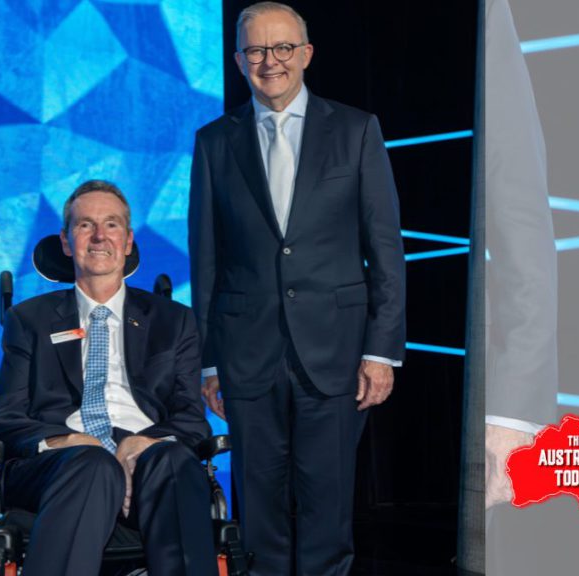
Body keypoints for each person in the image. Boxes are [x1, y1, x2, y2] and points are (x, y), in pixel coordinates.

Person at [188, 3, 406, 574]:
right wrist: (209, 361)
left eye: (283, 48)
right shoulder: (213, 141)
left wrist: (381, 350)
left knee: (327, 505)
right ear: (239, 61)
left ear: (306, 54)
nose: (271, 61)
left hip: (337, 350)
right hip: (245, 351)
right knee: (255, 506)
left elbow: (385, 249)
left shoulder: (357, 130)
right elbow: (206, 258)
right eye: (257, 50)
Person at [0, 180, 218, 576]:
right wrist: (71, 441)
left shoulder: (173, 321)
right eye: (84, 225)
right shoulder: (29, 320)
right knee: (93, 464)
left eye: (111, 226)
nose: (98, 237)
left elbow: (192, 420)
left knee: (174, 461)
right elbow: (4, 417)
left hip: (150, 454)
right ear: (65, 240)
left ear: (127, 242)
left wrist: (140, 444)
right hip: (61, 459)